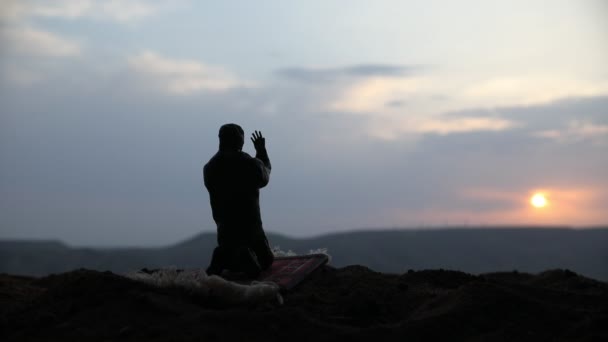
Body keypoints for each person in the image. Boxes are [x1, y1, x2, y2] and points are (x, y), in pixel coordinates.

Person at [203, 123, 274, 277]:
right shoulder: (248, 163)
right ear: (240, 141)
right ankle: (238, 254)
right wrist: (261, 151)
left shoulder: (209, 168)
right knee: (264, 262)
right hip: (251, 232)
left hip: (225, 233)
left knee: (256, 257)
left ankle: (227, 254)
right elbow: (265, 173)